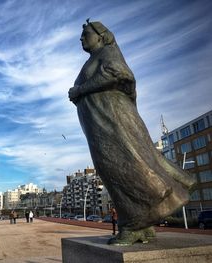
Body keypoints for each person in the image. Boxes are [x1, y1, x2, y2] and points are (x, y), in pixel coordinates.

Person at [69, 20, 195, 245]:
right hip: (100, 123)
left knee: (120, 166)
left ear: (101, 36)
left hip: (113, 121)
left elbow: (118, 74)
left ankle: (133, 224)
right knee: (119, 166)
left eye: (85, 34)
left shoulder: (109, 52)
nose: (81, 38)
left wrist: (79, 90)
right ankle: (144, 225)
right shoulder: (94, 59)